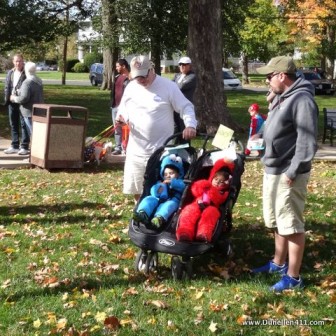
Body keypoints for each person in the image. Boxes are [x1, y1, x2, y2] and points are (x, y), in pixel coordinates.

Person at [251, 55, 318, 292]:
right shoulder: (282, 97)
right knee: (278, 221)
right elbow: (276, 128)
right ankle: (278, 264)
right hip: (273, 167)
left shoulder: (301, 100)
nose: (267, 81)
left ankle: (294, 277)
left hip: (289, 172)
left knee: (291, 224)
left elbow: (307, 142)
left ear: (282, 76)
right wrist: (260, 132)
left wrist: (293, 171)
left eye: (269, 77)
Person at [116, 55, 197, 202]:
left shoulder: (168, 86)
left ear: (152, 69)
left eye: (143, 76)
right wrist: (122, 118)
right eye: (137, 77)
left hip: (161, 149)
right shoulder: (131, 87)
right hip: (136, 149)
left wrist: (190, 125)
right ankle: (139, 216)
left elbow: (186, 107)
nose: (140, 80)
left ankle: (159, 219)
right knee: (138, 188)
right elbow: (123, 109)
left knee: (161, 189)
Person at [176, 158, 235, 242]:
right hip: (198, 203)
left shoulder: (223, 192)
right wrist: (202, 185)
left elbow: (219, 200)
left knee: (210, 214)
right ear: (212, 178)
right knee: (189, 211)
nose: (217, 182)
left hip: (212, 207)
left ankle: (203, 234)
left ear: (226, 183)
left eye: (221, 182)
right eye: (216, 179)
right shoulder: (206, 184)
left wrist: (214, 189)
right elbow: (195, 191)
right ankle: (185, 233)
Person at [133, 154, 185, 228]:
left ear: (178, 174)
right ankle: (142, 213)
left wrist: (172, 182)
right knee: (148, 199)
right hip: (158, 198)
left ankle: (159, 218)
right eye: (165, 174)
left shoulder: (180, 181)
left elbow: (183, 187)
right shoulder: (160, 182)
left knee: (169, 205)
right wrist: (158, 189)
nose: (168, 176)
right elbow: (153, 192)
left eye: (171, 173)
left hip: (172, 199)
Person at [3, 53, 30, 155]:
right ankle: (14, 145)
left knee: (24, 124)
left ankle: (24, 146)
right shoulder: (10, 72)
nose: (18, 63)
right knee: (13, 123)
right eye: (16, 61)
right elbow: (7, 86)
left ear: (23, 61)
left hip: (23, 102)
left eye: (20, 61)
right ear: (13, 62)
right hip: (12, 102)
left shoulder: (26, 73)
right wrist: (7, 97)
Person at [10, 62, 43, 137]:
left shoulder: (27, 82)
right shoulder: (39, 81)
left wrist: (14, 98)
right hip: (39, 110)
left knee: (33, 134)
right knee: (38, 132)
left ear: (26, 70)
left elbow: (24, 98)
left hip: (29, 112)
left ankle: (36, 148)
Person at [172, 56, 197, 136]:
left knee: (184, 128)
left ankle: (185, 147)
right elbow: (170, 86)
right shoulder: (177, 75)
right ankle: (175, 145)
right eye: (180, 64)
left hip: (186, 107)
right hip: (175, 106)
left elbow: (181, 86)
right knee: (175, 128)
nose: (182, 66)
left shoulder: (192, 76)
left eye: (185, 64)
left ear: (189, 66)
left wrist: (173, 86)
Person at [110, 59, 130, 155]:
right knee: (117, 128)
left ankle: (126, 147)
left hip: (125, 108)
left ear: (124, 66)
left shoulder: (130, 78)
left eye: (118, 66)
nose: (116, 68)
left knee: (126, 128)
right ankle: (118, 147)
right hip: (115, 106)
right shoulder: (117, 77)